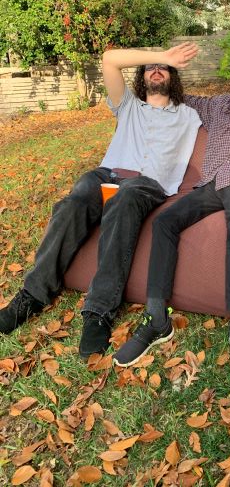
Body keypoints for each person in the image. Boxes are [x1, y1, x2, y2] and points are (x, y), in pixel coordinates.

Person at [0, 42, 202, 359]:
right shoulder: (128, 105)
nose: (156, 70)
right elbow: (110, 59)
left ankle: (98, 311)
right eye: (150, 67)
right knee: (74, 201)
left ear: (173, 77)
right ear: (142, 76)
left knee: (125, 198)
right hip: (106, 174)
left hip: (146, 184)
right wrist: (162, 56)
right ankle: (31, 295)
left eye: (163, 68)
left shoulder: (189, 114)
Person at [112, 59, 230, 380]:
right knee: (164, 222)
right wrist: (161, 69)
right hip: (212, 184)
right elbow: (177, 96)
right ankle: (157, 318)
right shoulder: (216, 106)